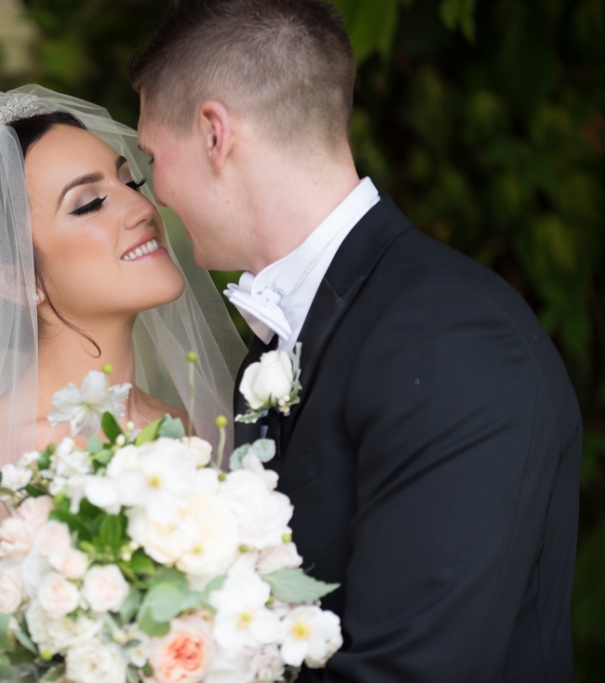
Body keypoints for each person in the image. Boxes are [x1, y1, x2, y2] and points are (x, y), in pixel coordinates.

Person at [130, 0, 581, 681]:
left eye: (152, 157)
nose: (154, 193)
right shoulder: (289, 340)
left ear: (215, 134)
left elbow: (410, 668)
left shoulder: (453, 342)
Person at [0, 86, 245, 681]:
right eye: (88, 205)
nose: (138, 209)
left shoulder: (182, 427)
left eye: (128, 182)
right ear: (14, 278)